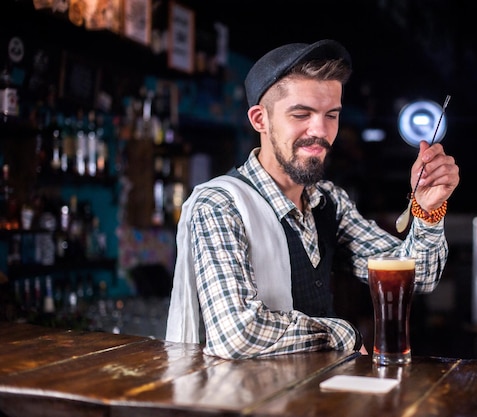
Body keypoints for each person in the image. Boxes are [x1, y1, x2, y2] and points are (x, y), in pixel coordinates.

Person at [166, 39, 460, 359]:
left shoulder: (329, 202)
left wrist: (429, 211)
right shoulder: (220, 205)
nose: (320, 131)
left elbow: (418, 277)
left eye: (331, 115)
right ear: (259, 119)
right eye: (301, 114)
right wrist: (341, 332)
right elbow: (238, 335)